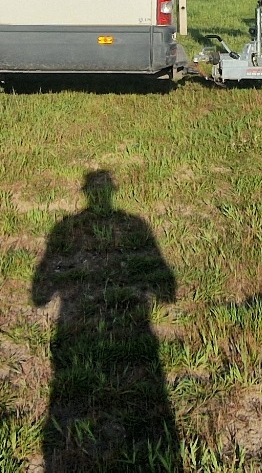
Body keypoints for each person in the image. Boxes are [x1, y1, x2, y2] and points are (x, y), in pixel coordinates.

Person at [30, 171, 180, 470]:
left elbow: (40, 293)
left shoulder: (66, 228)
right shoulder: (134, 224)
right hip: (133, 333)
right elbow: (166, 288)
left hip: (76, 335)